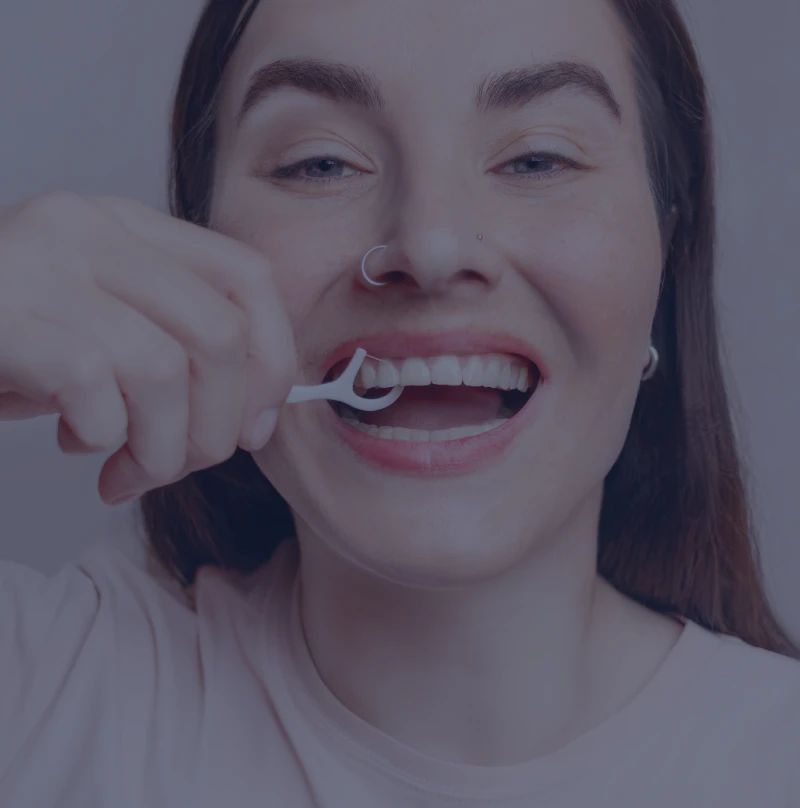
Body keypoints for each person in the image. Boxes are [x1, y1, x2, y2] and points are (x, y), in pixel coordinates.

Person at [1, 0, 799, 804]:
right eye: (320, 163)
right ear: (198, 249)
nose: (431, 243)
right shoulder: (41, 702)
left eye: (537, 159)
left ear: (664, 260)